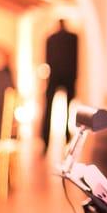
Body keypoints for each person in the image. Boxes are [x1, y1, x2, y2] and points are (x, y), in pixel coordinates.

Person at [41, 19, 78, 154]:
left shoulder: (51, 38)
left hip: (55, 76)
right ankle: (67, 139)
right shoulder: (73, 38)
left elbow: (47, 60)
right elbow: (75, 59)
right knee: (68, 109)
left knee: (49, 109)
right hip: (68, 76)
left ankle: (45, 141)